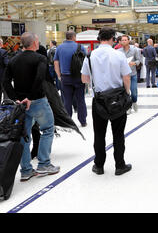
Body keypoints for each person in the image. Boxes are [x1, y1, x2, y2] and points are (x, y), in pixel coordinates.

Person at [3, 32, 60, 181]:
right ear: (35, 43)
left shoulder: (13, 60)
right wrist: (31, 97)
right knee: (47, 129)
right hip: (38, 101)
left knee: (24, 136)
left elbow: (5, 81)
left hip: (20, 105)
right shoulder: (40, 58)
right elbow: (40, 78)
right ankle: (44, 164)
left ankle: (26, 170)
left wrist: (16, 98)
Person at [81, 27, 132, 176]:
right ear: (112, 38)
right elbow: (126, 77)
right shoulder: (119, 55)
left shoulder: (89, 56)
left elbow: (84, 79)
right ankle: (120, 165)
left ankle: (99, 165)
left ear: (99, 38)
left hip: (99, 101)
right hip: (117, 99)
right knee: (118, 134)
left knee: (99, 134)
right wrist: (127, 93)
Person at [53, 31, 87, 127]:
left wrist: (59, 75)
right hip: (78, 77)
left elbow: (56, 63)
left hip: (65, 77)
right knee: (80, 99)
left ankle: (68, 121)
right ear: (74, 37)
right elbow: (85, 62)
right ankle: (83, 120)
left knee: (67, 100)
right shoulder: (80, 47)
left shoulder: (59, 48)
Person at [117, 35, 141, 114]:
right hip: (123, 75)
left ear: (128, 41)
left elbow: (139, 61)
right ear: (120, 41)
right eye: (122, 40)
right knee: (126, 92)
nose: (124, 41)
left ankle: (134, 101)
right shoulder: (118, 51)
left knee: (133, 91)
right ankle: (128, 106)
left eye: (125, 40)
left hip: (132, 73)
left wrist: (133, 63)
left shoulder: (135, 50)